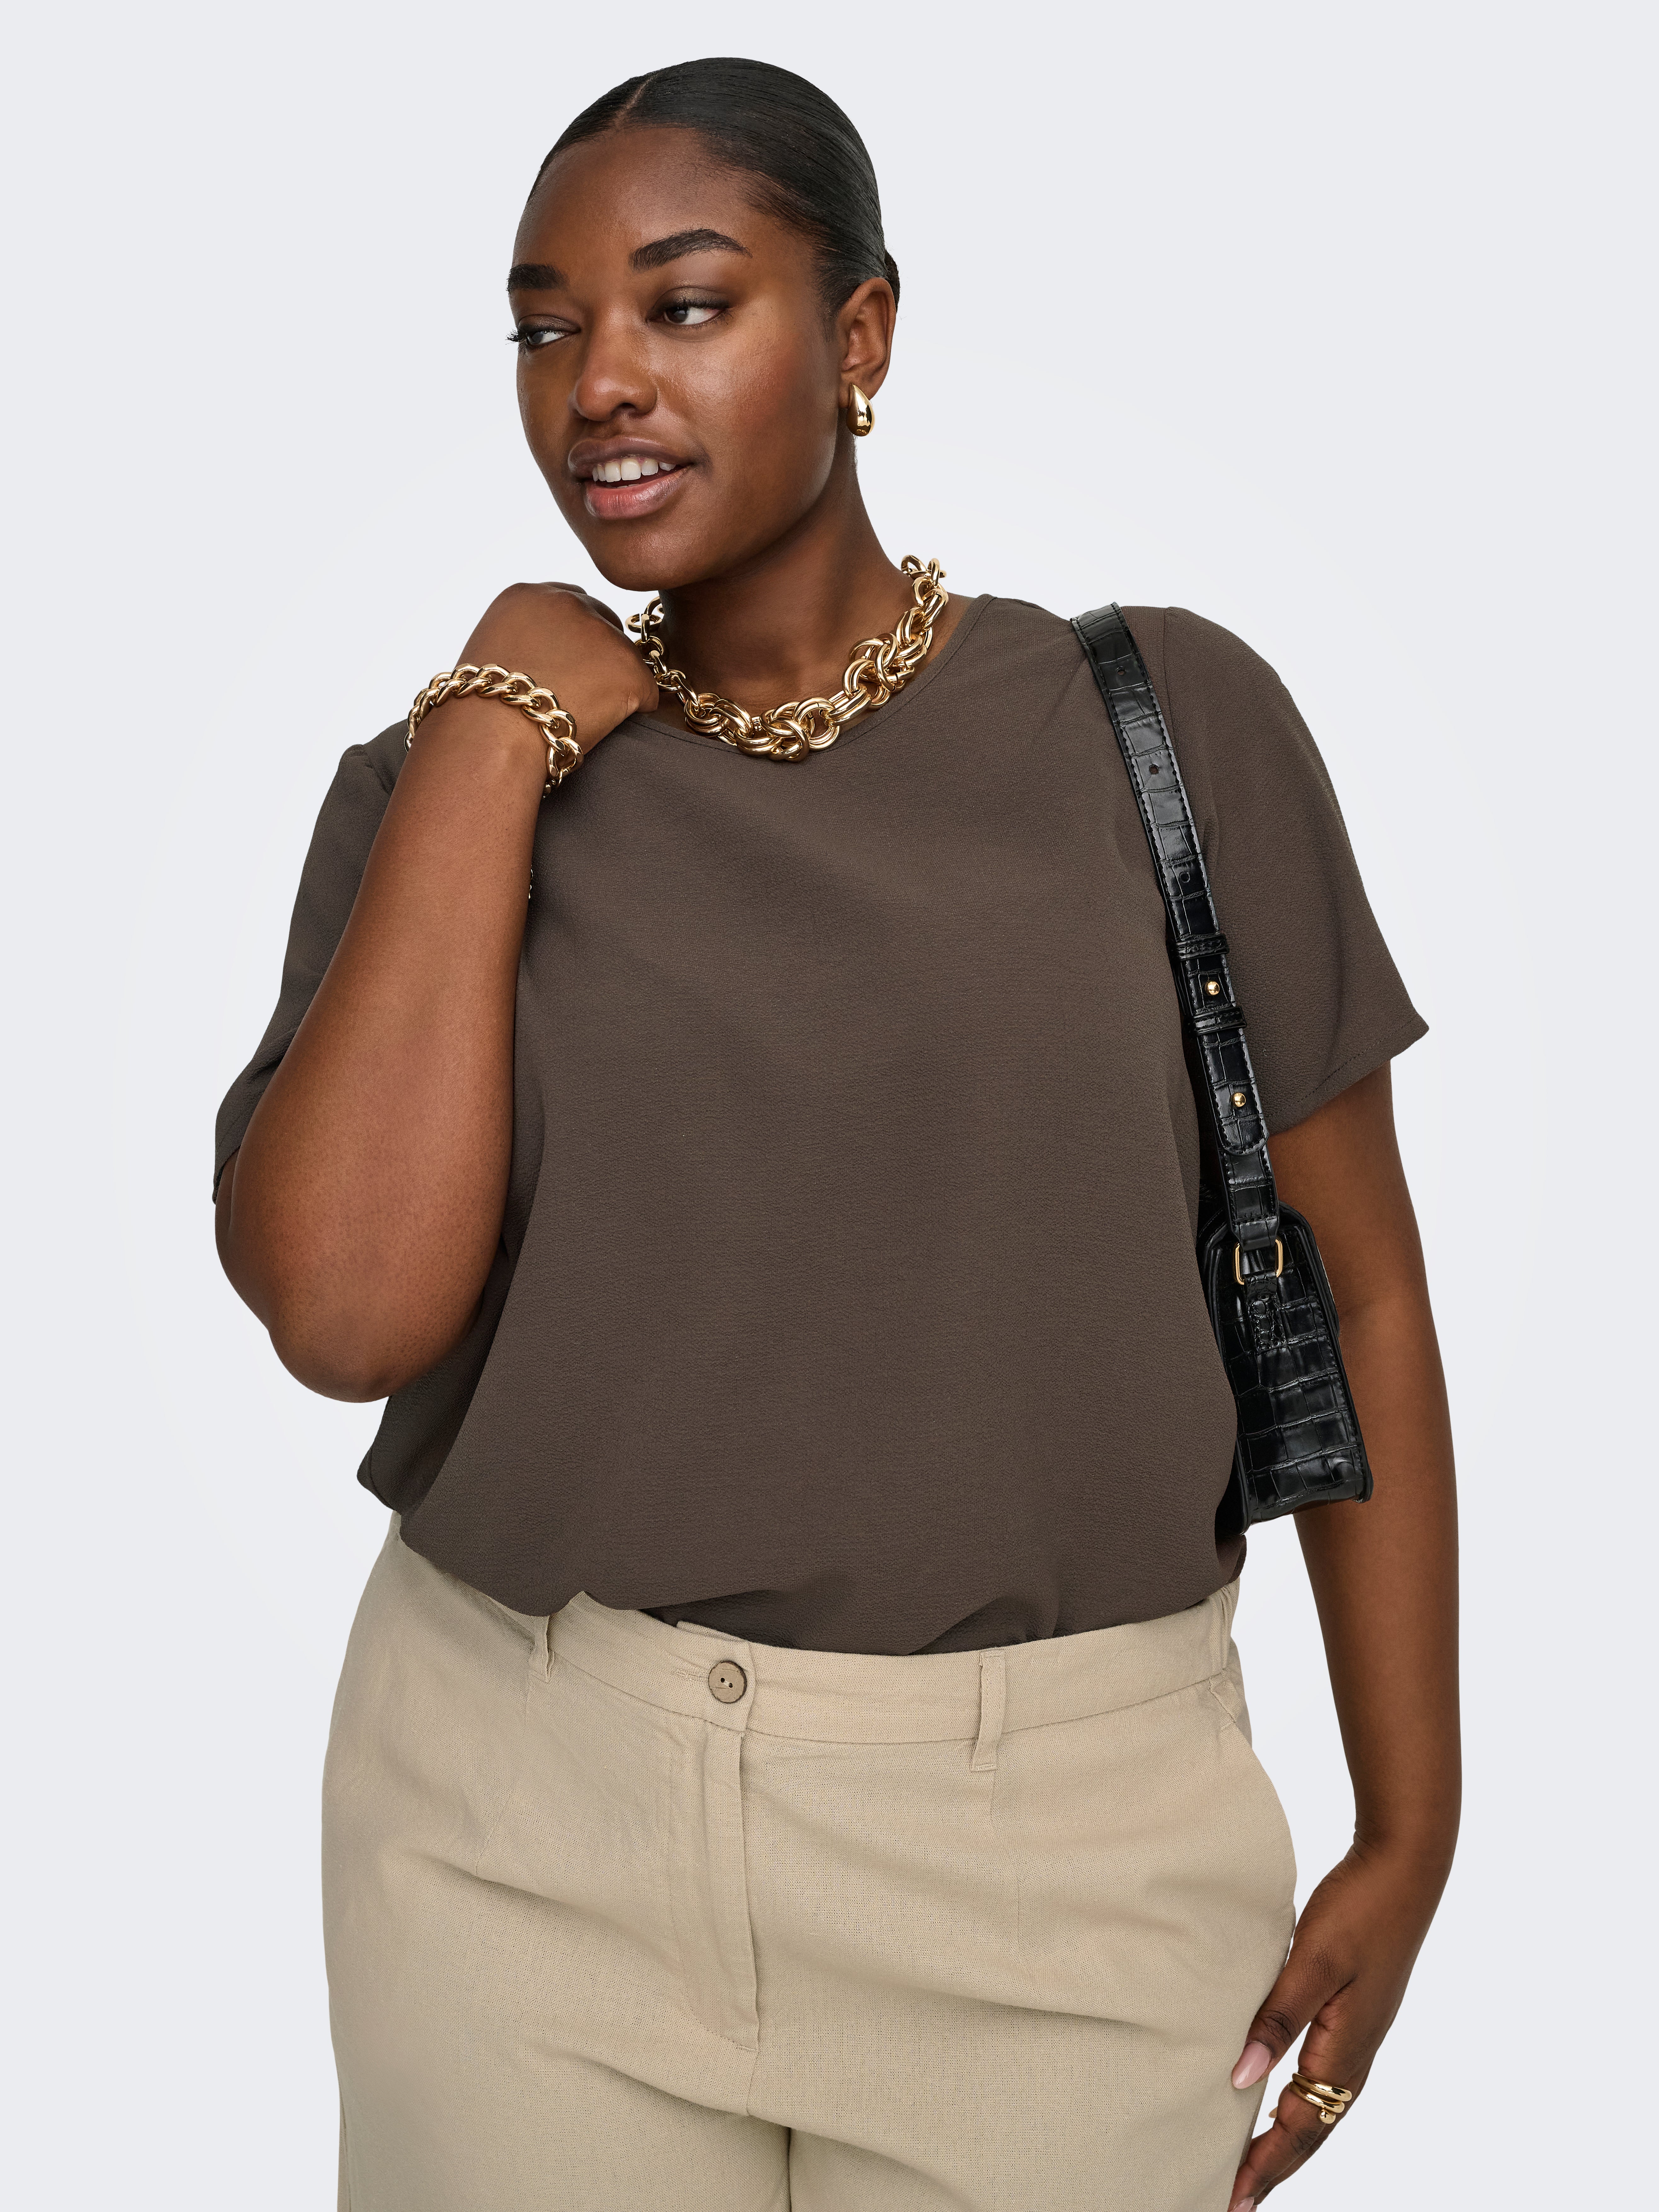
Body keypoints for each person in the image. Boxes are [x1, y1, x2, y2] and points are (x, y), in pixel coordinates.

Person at [213, 55, 1458, 2212]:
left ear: (861, 333)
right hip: (521, 1825)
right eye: (545, 327)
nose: (601, 380)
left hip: (1065, 1863)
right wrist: (497, 732)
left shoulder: (1160, 724)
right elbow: (342, 1311)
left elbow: (1361, 1290)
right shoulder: (435, 795)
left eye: (686, 304)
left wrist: (1415, 1820)